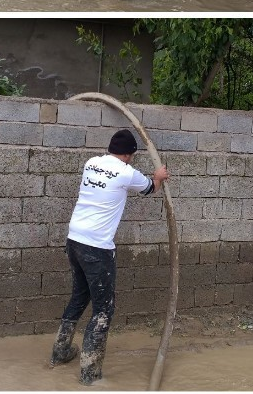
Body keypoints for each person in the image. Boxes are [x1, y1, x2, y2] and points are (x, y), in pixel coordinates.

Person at [50, 129, 169, 385]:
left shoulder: (91, 163)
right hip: (97, 247)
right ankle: (90, 374)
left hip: (74, 240)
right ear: (129, 155)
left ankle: (60, 352)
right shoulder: (127, 173)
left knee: (80, 296)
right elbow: (151, 188)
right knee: (104, 309)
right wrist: (159, 177)